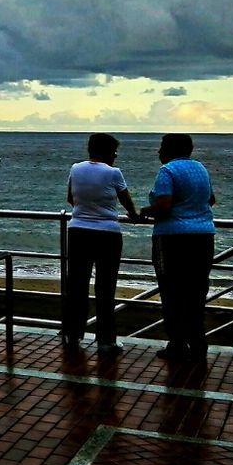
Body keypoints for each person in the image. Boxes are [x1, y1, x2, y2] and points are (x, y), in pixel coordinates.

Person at [139, 133, 217, 362]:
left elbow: (164, 205)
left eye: (161, 147)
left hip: (172, 238)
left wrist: (145, 211)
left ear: (170, 149)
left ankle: (177, 344)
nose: (158, 152)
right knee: (196, 291)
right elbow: (210, 199)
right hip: (203, 235)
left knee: (171, 290)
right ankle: (198, 343)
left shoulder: (168, 171)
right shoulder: (201, 168)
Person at [62, 133, 140, 355]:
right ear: (107, 152)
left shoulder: (75, 169)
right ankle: (106, 341)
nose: (116, 156)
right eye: (114, 151)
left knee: (77, 285)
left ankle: (73, 335)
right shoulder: (113, 173)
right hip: (107, 234)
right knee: (106, 288)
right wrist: (134, 215)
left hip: (77, 231)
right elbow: (127, 202)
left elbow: (71, 198)